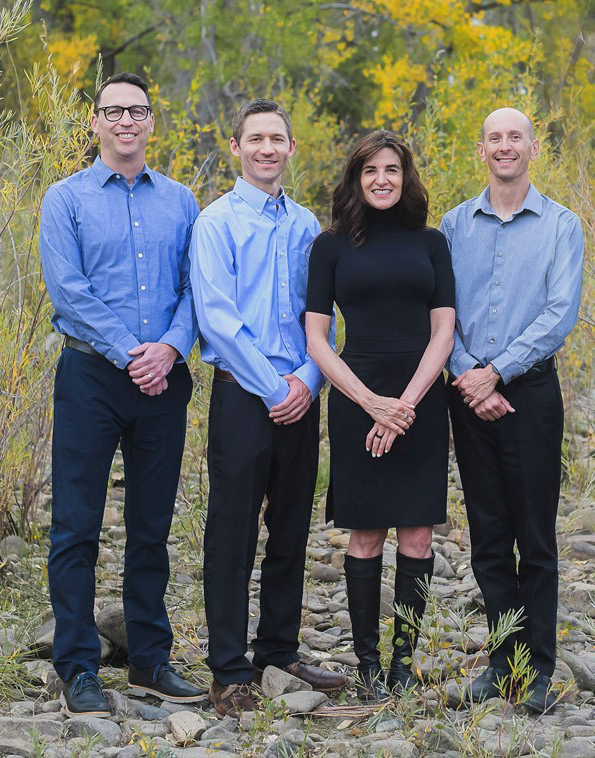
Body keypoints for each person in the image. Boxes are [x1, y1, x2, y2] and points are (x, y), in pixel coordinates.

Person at [40, 72, 206, 716]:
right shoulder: (66, 198)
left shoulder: (181, 201)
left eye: (137, 111)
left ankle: (149, 659)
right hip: (91, 379)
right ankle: (79, 665)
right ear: (95, 123)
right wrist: (131, 353)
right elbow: (68, 291)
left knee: (151, 527)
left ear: (151, 121)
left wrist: (167, 348)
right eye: (113, 112)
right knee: (76, 526)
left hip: (164, 379)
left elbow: (197, 288)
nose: (126, 122)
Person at [190, 99, 347, 717]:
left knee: (290, 526)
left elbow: (323, 316)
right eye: (255, 139)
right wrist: (276, 386)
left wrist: (309, 379)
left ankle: (277, 652)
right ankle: (229, 669)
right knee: (232, 531)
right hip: (245, 395)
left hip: (302, 394)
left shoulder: (308, 225)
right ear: (236, 148)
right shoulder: (217, 223)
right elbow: (219, 321)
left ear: (290, 148)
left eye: (277, 139)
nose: (266, 148)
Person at [441, 107, 584, 713]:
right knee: (488, 536)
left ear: (534, 148)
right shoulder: (453, 225)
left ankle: (542, 669)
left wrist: (497, 372)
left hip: (529, 395)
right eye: (495, 138)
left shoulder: (561, 226)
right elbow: (438, 313)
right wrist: (469, 374)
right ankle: (504, 664)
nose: (505, 147)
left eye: (515, 137)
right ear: (481, 150)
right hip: (466, 391)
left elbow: (561, 313)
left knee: (535, 536)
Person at [305, 131, 455, 702]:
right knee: (365, 532)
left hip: (420, 399)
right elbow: (317, 339)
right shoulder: (332, 246)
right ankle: (367, 664)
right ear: (355, 179)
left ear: (406, 176)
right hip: (355, 396)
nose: (382, 180)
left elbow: (444, 330)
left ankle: (401, 663)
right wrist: (371, 404)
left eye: (392, 169)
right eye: (370, 171)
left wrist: (405, 406)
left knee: (416, 531)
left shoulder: (432, 243)